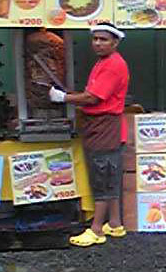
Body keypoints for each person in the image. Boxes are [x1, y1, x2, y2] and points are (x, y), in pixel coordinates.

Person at [49, 22, 129, 247]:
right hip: (103, 126)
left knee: (101, 176)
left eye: (104, 39)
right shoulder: (103, 62)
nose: (98, 43)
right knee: (110, 175)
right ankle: (115, 224)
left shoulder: (113, 65)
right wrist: (73, 95)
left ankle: (96, 230)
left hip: (105, 126)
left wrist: (64, 98)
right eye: (95, 39)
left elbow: (93, 97)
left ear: (115, 42)